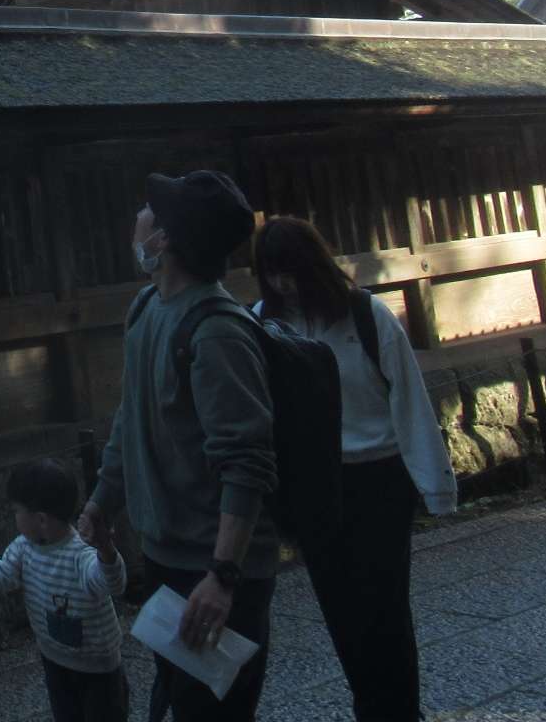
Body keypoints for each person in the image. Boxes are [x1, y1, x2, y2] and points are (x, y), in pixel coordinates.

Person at [79, 169, 277, 721]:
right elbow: (132, 415)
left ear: (163, 239)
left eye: (149, 212)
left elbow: (246, 463)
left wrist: (223, 576)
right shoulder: (146, 309)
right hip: (165, 553)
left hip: (214, 569)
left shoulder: (218, 333)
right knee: (179, 702)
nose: (138, 218)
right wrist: (102, 500)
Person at [252, 215, 457, 722]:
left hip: (377, 479)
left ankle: (398, 711)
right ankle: (371, 705)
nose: (283, 285)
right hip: (314, 486)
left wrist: (436, 487)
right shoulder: (262, 323)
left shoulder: (367, 317)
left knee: (385, 610)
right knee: (341, 611)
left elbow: (409, 401)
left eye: (290, 272)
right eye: (272, 274)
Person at [0, 456, 130, 722]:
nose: (14, 516)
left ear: (40, 519)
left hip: (99, 668)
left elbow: (111, 583)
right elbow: (4, 569)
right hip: (54, 658)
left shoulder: (80, 554)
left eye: (16, 511)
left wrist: (106, 550)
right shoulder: (24, 548)